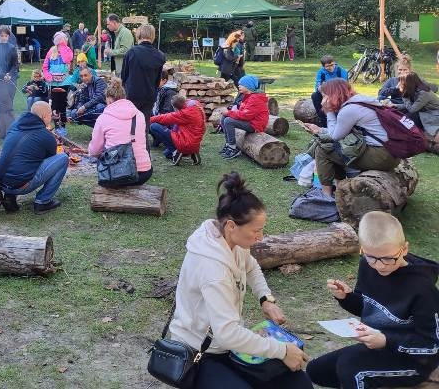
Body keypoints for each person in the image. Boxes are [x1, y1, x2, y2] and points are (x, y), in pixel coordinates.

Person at [166, 171, 313, 389]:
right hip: (200, 352)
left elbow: (251, 266)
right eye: (256, 231)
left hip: (226, 344)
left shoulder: (229, 242)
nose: (260, 237)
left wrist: (265, 299)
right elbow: (227, 334)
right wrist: (281, 350)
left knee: (296, 382)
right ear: (231, 226)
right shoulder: (213, 270)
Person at [306, 211, 439, 389]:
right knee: (316, 370)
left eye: (388, 258)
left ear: (404, 249)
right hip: (376, 346)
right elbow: (367, 308)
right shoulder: (367, 265)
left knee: (350, 369)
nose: (379, 265)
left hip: (413, 362)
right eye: (371, 257)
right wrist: (346, 298)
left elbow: (431, 345)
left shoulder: (422, 289)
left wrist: (386, 340)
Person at [301, 78, 401, 197]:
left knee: (323, 149)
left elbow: (335, 136)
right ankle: (340, 188)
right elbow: (341, 132)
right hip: (391, 154)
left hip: (381, 156)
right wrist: (320, 130)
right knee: (333, 148)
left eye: (324, 96)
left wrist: (329, 112)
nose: (323, 100)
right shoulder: (360, 100)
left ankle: (326, 195)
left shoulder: (349, 110)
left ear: (332, 95)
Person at [0, 100, 67, 214]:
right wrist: (50, 139)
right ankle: (42, 202)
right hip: (21, 185)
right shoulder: (45, 136)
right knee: (62, 159)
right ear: (44, 116)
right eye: (50, 115)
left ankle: (9, 197)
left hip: (0, 181)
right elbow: (49, 159)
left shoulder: (15, 124)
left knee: (18, 158)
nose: (51, 118)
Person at [89, 78, 153, 186]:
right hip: (144, 172)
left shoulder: (103, 118)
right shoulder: (139, 115)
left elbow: (95, 151)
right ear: (124, 97)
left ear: (109, 100)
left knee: (103, 160)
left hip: (117, 175)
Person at [121, 23, 165, 128]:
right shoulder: (160, 55)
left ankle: (132, 143)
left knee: (131, 125)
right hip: (149, 94)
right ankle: (143, 144)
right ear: (153, 35)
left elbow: (124, 76)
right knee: (144, 125)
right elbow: (157, 80)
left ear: (138, 34)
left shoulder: (131, 53)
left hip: (132, 94)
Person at [219, 75, 269, 160]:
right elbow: (243, 112)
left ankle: (233, 148)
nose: (238, 86)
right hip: (250, 121)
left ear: (248, 86)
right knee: (225, 117)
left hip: (256, 125)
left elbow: (246, 115)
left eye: (241, 85)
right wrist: (230, 111)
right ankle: (228, 144)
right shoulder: (247, 96)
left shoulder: (255, 99)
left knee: (228, 120)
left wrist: (229, 113)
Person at [149, 94, 206, 165]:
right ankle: (184, 152)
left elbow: (166, 117)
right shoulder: (194, 104)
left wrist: (148, 119)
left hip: (186, 143)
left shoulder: (185, 113)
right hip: (195, 141)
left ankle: (176, 151)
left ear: (175, 107)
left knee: (154, 126)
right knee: (166, 153)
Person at [42, 31, 74, 130]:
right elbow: (45, 66)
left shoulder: (68, 50)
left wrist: (63, 47)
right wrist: (47, 76)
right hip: (52, 82)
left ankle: (63, 125)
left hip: (64, 81)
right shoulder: (51, 51)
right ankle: (56, 125)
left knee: (62, 103)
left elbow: (67, 59)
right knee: (54, 103)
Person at [394, 72, 439, 141]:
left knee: (407, 118)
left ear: (408, 83)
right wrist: (394, 106)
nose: (399, 85)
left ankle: (403, 135)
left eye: (401, 82)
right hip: (423, 112)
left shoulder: (423, 93)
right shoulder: (417, 90)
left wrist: (404, 95)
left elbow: (412, 109)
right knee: (402, 115)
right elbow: (412, 106)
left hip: (432, 116)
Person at [311, 55, 348, 127]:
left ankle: (340, 120)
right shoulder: (321, 72)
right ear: (323, 66)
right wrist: (322, 91)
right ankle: (323, 120)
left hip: (339, 93)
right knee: (314, 96)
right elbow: (317, 86)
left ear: (334, 63)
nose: (331, 67)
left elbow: (345, 86)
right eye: (328, 66)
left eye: (332, 65)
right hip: (326, 93)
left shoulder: (341, 71)